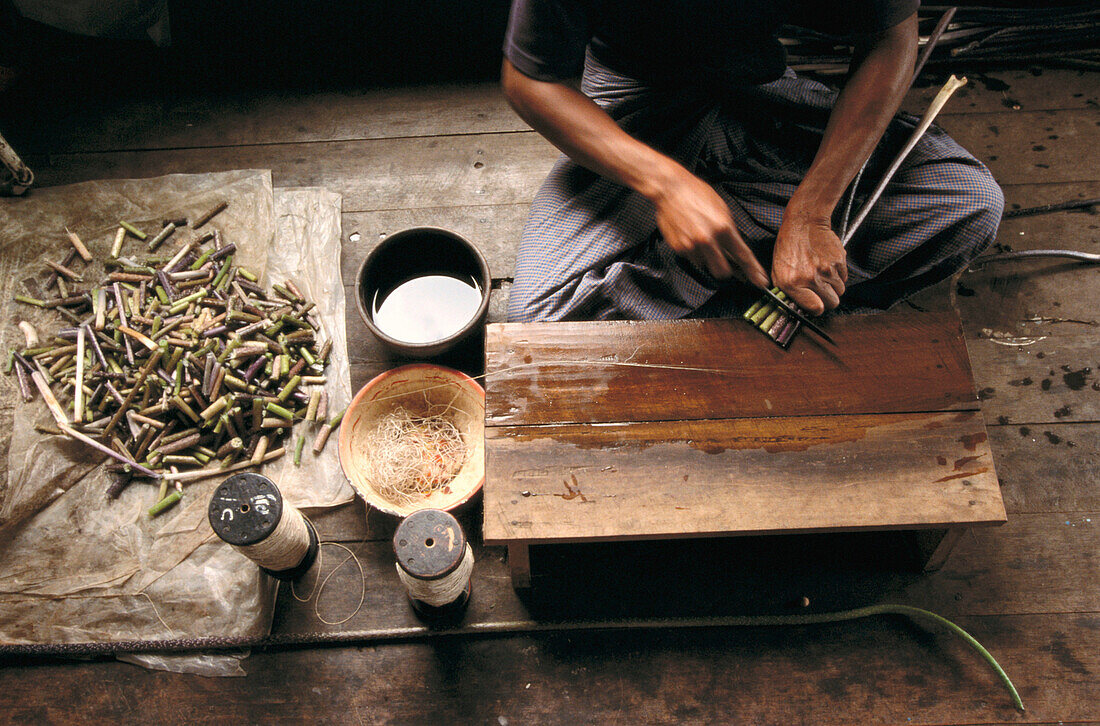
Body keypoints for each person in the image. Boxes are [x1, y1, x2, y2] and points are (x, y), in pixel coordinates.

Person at [500, 0, 1004, 323]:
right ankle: (741, 271)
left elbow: (890, 39)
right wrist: (667, 187)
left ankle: (731, 270)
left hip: (757, 92)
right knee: (541, 321)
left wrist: (811, 212)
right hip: (640, 97)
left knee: (969, 204)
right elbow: (531, 82)